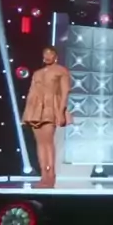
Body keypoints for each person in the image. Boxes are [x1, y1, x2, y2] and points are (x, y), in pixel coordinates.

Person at [22, 46, 72, 188]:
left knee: (48, 142)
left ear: (55, 56)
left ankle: (51, 176)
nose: (47, 56)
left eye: (50, 53)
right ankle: (43, 175)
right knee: (40, 143)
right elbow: (31, 93)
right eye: (45, 54)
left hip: (51, 107)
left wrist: (61, 112)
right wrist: (27, 113)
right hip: (36, 109)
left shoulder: (61, 71)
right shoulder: (37, 73)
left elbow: (64, 92)